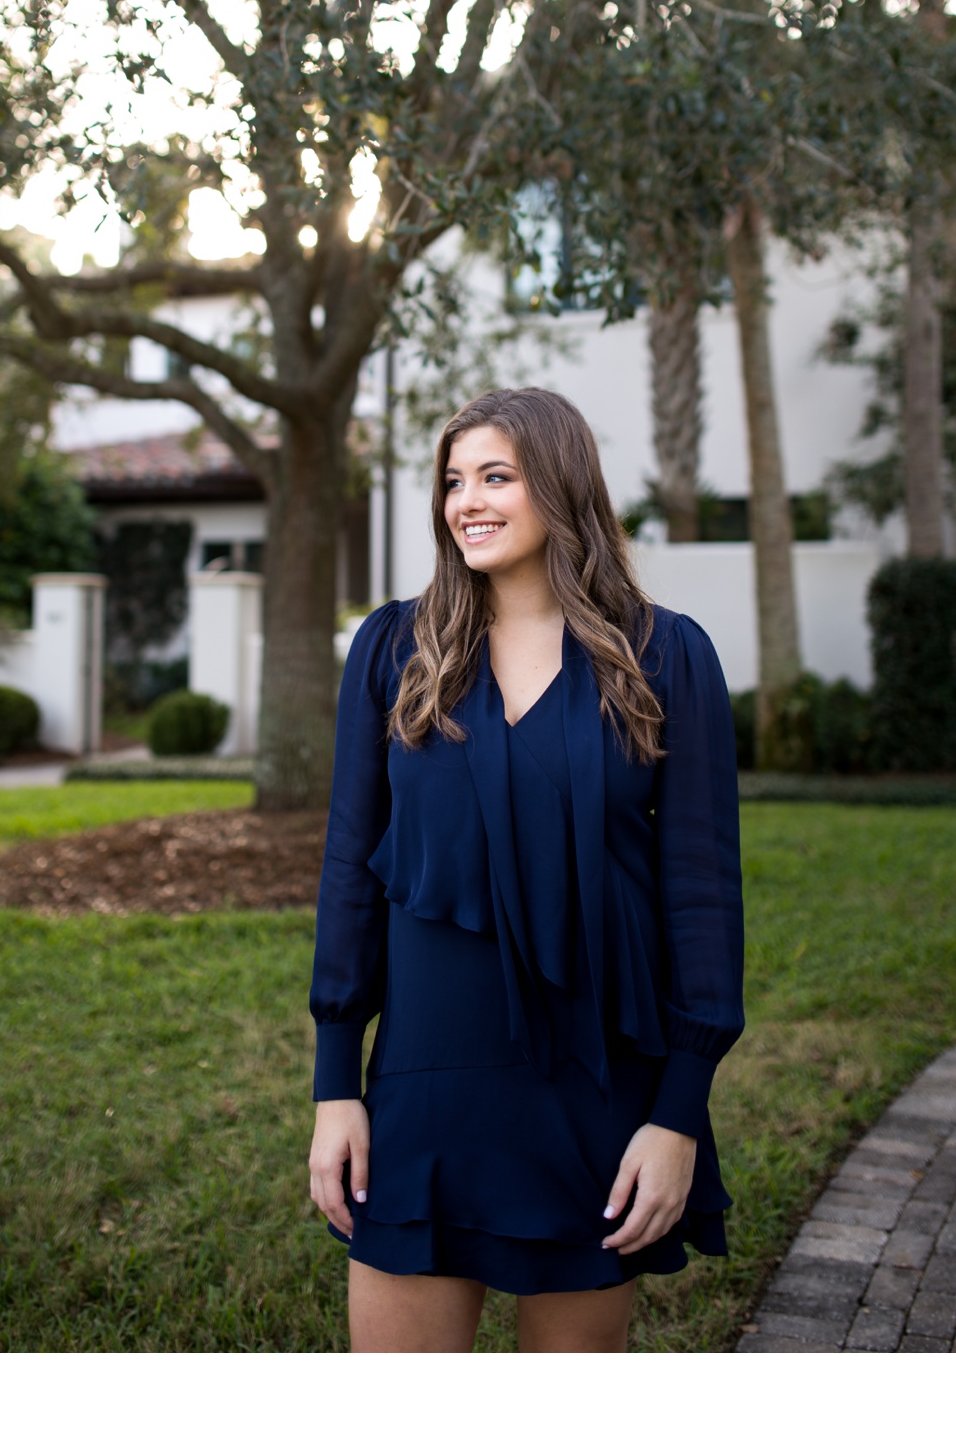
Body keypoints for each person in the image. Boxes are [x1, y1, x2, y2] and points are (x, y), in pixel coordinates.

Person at [307, 386, 744, 1352]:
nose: (467, 500)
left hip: (597, 1090)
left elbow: (703, 892)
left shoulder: (664, 655)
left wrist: (677, 1114)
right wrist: (338, 1083)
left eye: (495, 476)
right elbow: (350, 867)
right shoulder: (394, 648)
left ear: (560, 482)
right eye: (454, 481)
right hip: (426, 1083)